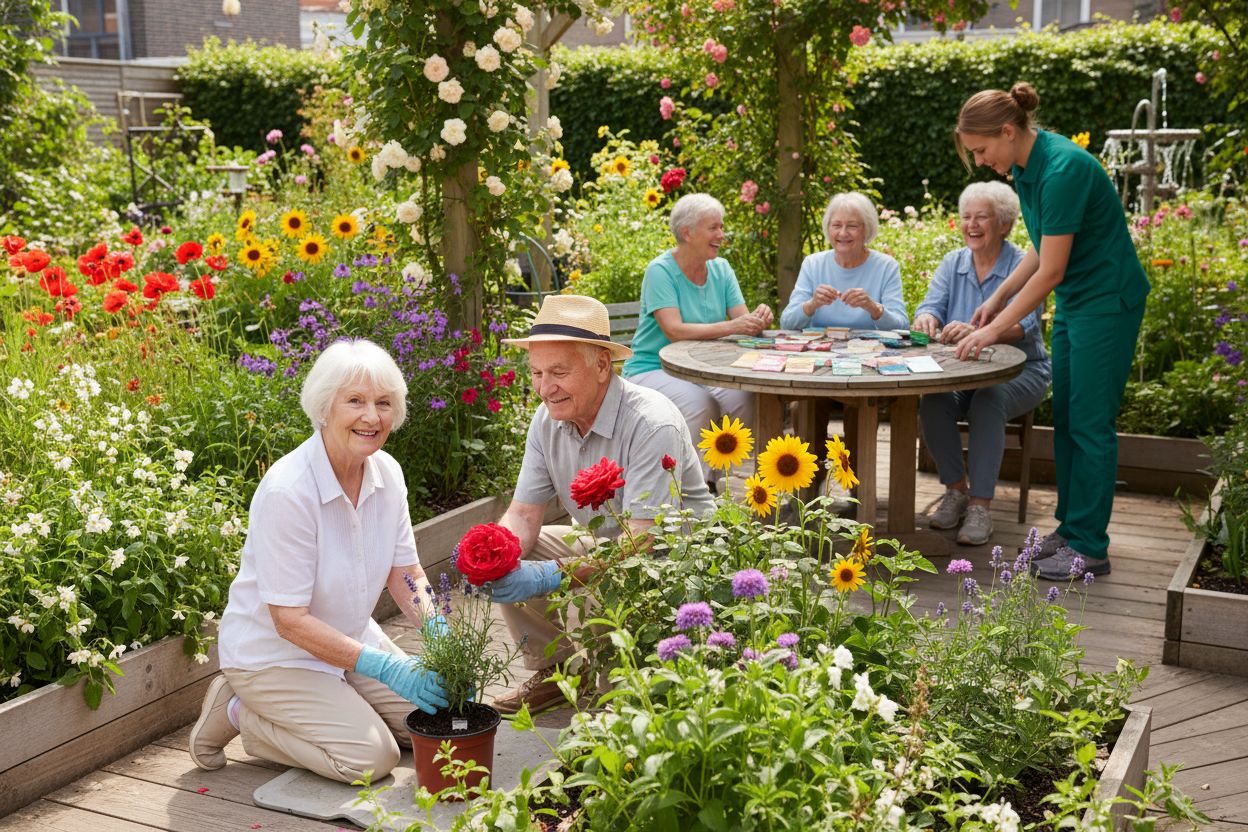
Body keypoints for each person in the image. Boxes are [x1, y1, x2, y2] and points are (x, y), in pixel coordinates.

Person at [189, 339, 449, 783]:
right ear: (324, 407)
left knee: (437, 723)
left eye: (384, 403)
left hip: (347, 641)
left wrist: (441, 634)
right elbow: (289, 622)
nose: (372, 417)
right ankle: (238, 710)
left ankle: (339, 704)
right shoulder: (289, 491)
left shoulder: (387, 472)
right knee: (371, 759)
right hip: (275, 656)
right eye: (355, 401)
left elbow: (405, 572)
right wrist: (385, 667)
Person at [952, 82, 1150, 579]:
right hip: (1078, 302)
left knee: (1090, 422)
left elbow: (1052, 271)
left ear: (1008, 131)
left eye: (981, 150)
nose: (980, 162)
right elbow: (1042, 248)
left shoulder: (1062, 170)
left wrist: (996, 329)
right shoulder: (1025, 168)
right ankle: (1072, 527)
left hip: (1107, 301)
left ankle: (1091, 547)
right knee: (1067, 418)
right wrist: (996, 298)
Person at [486, 294, 716, 713]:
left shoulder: (650, 423)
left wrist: (550, 577)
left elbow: (642, 543)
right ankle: (556, 672)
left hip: (675, 565)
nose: (544, 388)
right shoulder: (547, 419)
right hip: (612, 547)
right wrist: (492, 557)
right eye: (536, 373)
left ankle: (618, 697)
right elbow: (522, 514)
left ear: (602, 365)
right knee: (511, 552)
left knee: (604, 610)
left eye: (558, 372)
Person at [913, 181, 1052, 545]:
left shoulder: (1022, 265)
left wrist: (981, 332)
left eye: (982, 217)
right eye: (966, 217)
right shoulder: (953, 263)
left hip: (1022, 371)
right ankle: (956, 490)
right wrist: (927, 318)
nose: (971, 225)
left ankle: (980, 507)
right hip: (962, 372)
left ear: (1005, 224)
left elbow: (1024, 326)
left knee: (989, 400)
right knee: (933, 401)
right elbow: (930, 306)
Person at [622, 192, 774, 485]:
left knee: (744, 398)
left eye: (722, 227)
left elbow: (743, 320)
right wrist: (734, 326)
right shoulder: (660, 271)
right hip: (653, 367)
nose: (721, 234)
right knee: (700, 404)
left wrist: (758, 318)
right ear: (687, 233)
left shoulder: (721, 269)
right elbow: (674, 330)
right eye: (713, 227)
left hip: (706, 368)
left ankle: (714, 478)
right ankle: (690, 487)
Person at [780, 192, 909, 332]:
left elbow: (902, 326)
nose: (842, 233)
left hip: (870, 346)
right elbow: (787, 324)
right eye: (836, 225)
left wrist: (874, 308)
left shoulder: (886, 266)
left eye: (852, 226)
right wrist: (812, 304)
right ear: (828, 229)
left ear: (867, 229)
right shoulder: (812, 264)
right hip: (820, 345)